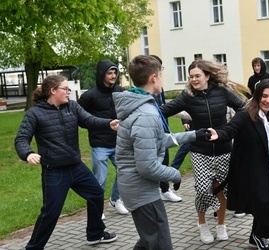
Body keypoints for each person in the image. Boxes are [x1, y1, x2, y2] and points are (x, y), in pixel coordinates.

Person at [112, 55, 212, 249]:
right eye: (161, 75)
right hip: (141, 192)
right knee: (159, 243)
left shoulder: (141, 105)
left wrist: (194, 135)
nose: (162, 79)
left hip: (137, 188)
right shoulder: (144, 115)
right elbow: (147, 166)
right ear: (153, 78)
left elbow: (158, 140)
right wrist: (174, 175)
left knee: (149, 240)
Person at [14, 75, 119, 249]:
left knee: (96, 194)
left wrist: (109, 124)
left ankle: (95, 234)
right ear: (53, 91)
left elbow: (89, 120)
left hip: (76, 167)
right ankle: (33, 247)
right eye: (65, 89)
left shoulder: (72, 106)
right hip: (54, 171)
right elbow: (21, 138)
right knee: (51, 212)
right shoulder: (35, 113)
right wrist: (27, 154)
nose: (68, 92)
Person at [160, 59, 248, 244]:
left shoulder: (222, 92)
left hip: (224, 149)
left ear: (207, 76)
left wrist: (230, 129)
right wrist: (143, 112)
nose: (194, 79)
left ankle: (221, 225)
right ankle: (202, 224)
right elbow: (164, 110)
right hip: (200, 150)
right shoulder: (187, 96)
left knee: (222, 190)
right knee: (202, 189)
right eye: (191, 76)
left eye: (197, 76)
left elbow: (243, 108)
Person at [209, 79, 269, 250]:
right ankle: (259, 237)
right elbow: (231, 129)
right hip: (254, 174)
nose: (268, 100)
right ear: (257, 96)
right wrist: (219, 134)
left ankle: (254, 238)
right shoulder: (245, 115)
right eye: (264, 96)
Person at [78, 59, 128, 217]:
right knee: (100, 179)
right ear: (101, 74)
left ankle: (116, 199)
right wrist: (97, 127)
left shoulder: (120, 91)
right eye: (109, 72)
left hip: (119, 142)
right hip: (100, 144)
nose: (113, 75)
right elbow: (80, 118)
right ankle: (96, 209)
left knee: (125, 172)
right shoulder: (89, 96)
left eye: (115, 72)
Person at [150, 54, 182, 202]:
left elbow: (164, 107)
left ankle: (165, 189)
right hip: (150, 131)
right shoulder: (145, 88)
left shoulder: (159, 87)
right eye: (159, 67)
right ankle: (152, 191)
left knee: (164, 158)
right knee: (152, 161)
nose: (161, 71)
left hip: (162, 128)